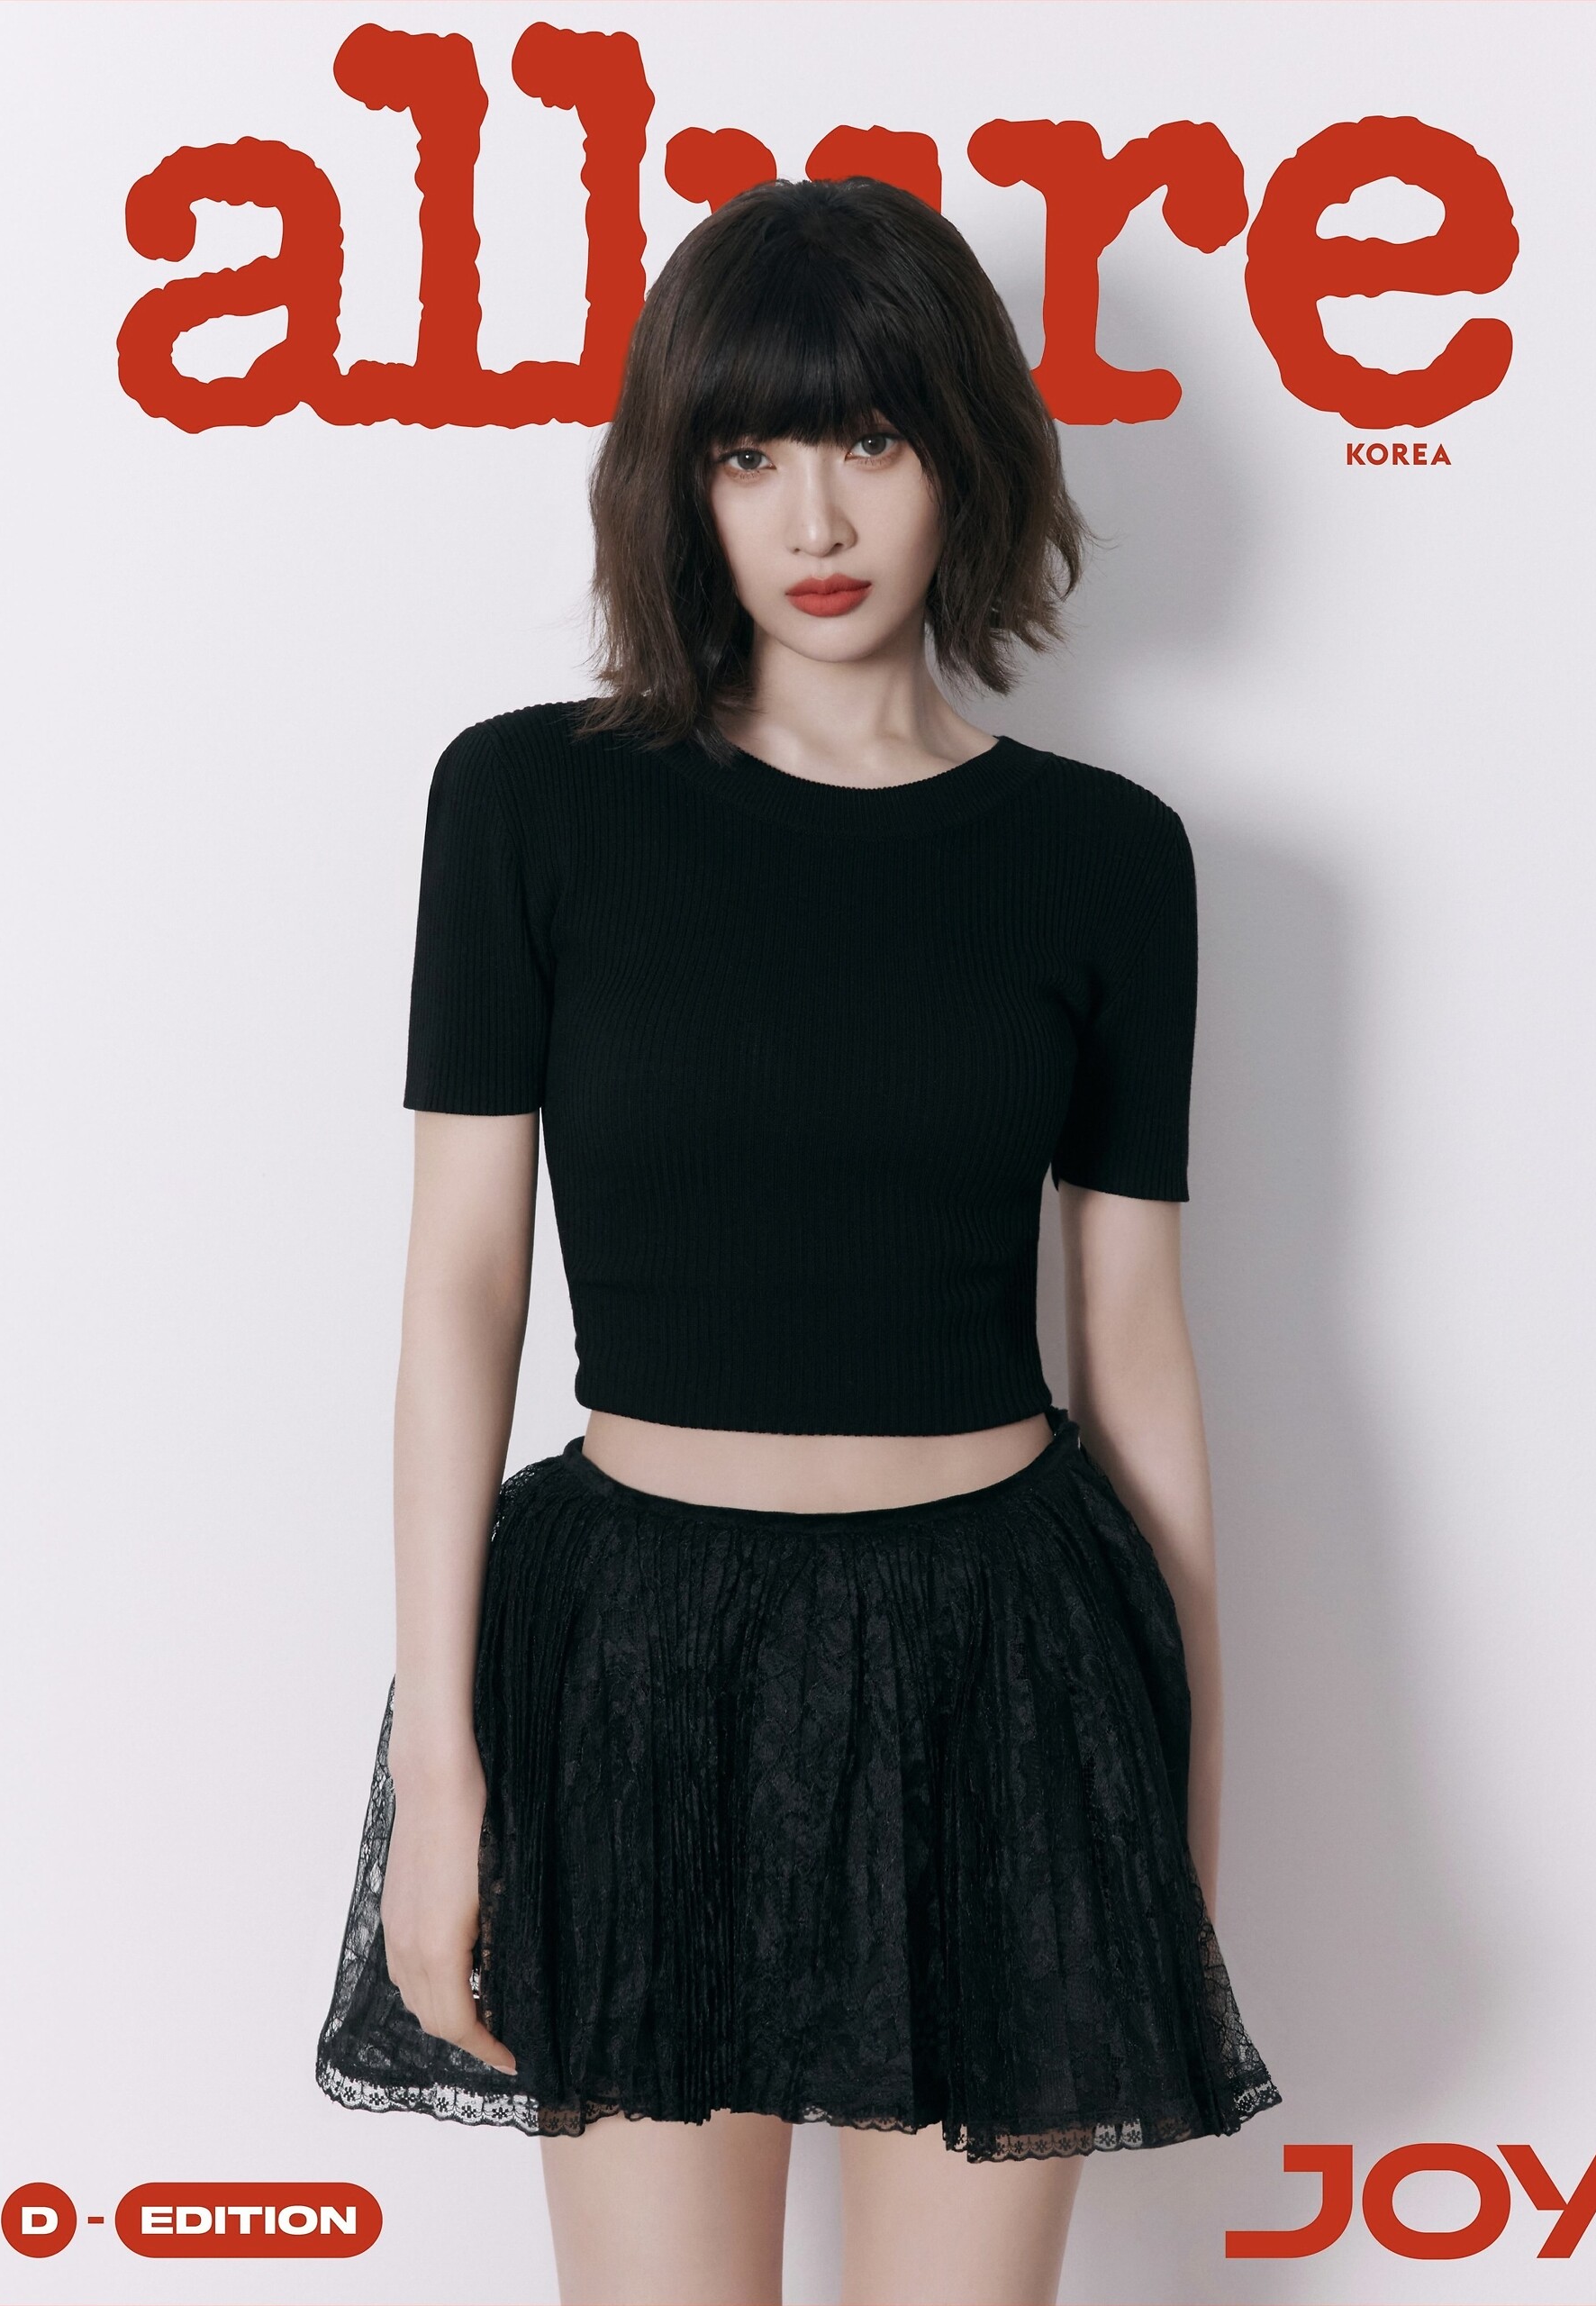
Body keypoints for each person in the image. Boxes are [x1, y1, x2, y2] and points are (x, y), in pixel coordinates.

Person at [315, 176, 1279, 2306]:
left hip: (1005, 1664)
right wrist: (442, 1768)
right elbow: (461, 1292)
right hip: (629, 1661)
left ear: (964, 461)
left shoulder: (1107, 856)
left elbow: (1136, 1342)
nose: (815, 515)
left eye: (872, 438)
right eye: (750, 451)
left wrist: (1181, 1803)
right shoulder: (529, 805)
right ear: (681, 481)